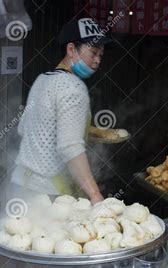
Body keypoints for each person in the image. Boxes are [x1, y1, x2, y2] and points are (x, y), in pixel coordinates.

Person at [11, 18, 111, 204]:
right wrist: (95, 195)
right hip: (48, 192)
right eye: (93, 52)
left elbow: (23, 128)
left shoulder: (42, 80)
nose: (97, 60)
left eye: (101, 55)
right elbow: (69, 147)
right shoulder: (73, 87)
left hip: (22, 185)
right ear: (71, 49)